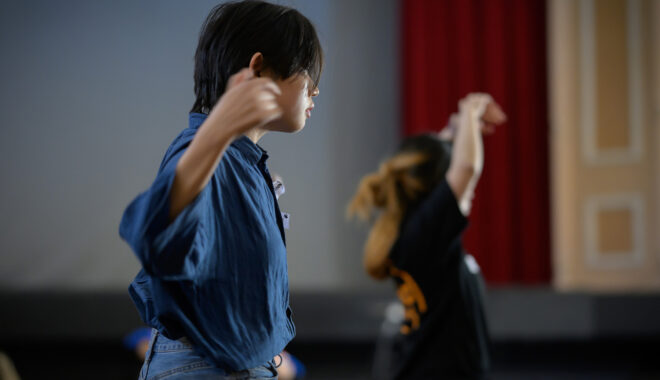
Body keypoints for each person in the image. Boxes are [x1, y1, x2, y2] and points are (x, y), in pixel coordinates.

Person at [119, 1, 322, 379]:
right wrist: (219, 128)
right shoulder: (208, 147)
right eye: (310, 77)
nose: (315, 92)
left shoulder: (236, 159)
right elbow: (152, 231)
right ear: (259, 68)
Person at [348, 93, 506, 379]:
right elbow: (467, 167)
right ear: (435, 188)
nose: (468, 189)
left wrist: (459, 128)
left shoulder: (417, 230)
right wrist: (470, 109)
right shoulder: (423, 232)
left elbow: (439, 157)